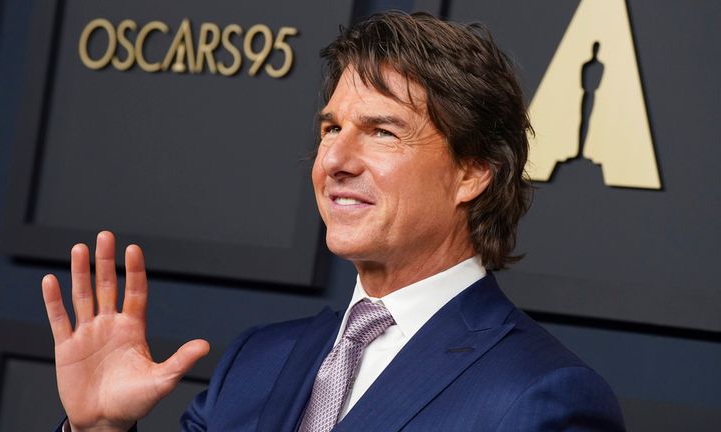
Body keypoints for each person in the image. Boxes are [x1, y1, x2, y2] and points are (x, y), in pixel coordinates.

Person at [42, 11, 625, 432]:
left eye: (382, 131)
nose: (336, 161)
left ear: (472, 173)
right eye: (330, 129)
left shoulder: (540, 398)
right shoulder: (257, 361)